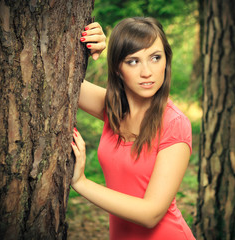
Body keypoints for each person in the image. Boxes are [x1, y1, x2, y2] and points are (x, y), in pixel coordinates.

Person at [71, 17, 195, 240]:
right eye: (133, 61)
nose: (147, 72)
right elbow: (59, 78)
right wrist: (85, 43)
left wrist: (81, 183)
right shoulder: (114, 109)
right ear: (117, 68)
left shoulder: (174, 123)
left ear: (166, 61)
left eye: (155, 58)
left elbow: (151, 214)